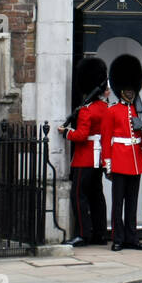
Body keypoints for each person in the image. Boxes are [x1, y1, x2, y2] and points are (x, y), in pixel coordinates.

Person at [59, 56, 110, 246]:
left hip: (84, 159)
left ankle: (83, 234)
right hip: (98, 159)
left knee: (78, 196)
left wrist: (66, 132)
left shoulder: (87, 110)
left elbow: (81, 135)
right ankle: (100, 234)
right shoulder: (105, 107)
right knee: (97, 196)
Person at [104, 55, 142, 251]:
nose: (130, 94)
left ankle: (132, 237)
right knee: (118, 203)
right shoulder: (112, 111)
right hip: (120, 159)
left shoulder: (140, 110)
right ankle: (118, 238)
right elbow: (106, 139)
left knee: (132, 203)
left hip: (136, 160)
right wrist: (108, 163)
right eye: (127, 90)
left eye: (132, 90)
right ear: (120, 91)